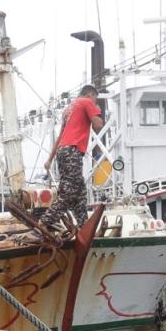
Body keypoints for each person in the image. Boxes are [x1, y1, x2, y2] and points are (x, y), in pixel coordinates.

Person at [41, 84, 103, 229]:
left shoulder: (69, 109)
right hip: (72, 151)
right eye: (95, 99)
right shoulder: (87, 102)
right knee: (69, 193)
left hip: (63, 151)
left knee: (80, 193)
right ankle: (44, 222)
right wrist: (98, 112)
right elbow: (98, 125)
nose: (95, 103)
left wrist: (50, 159)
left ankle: (84, 228)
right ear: (90, 95)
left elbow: (61, 136)